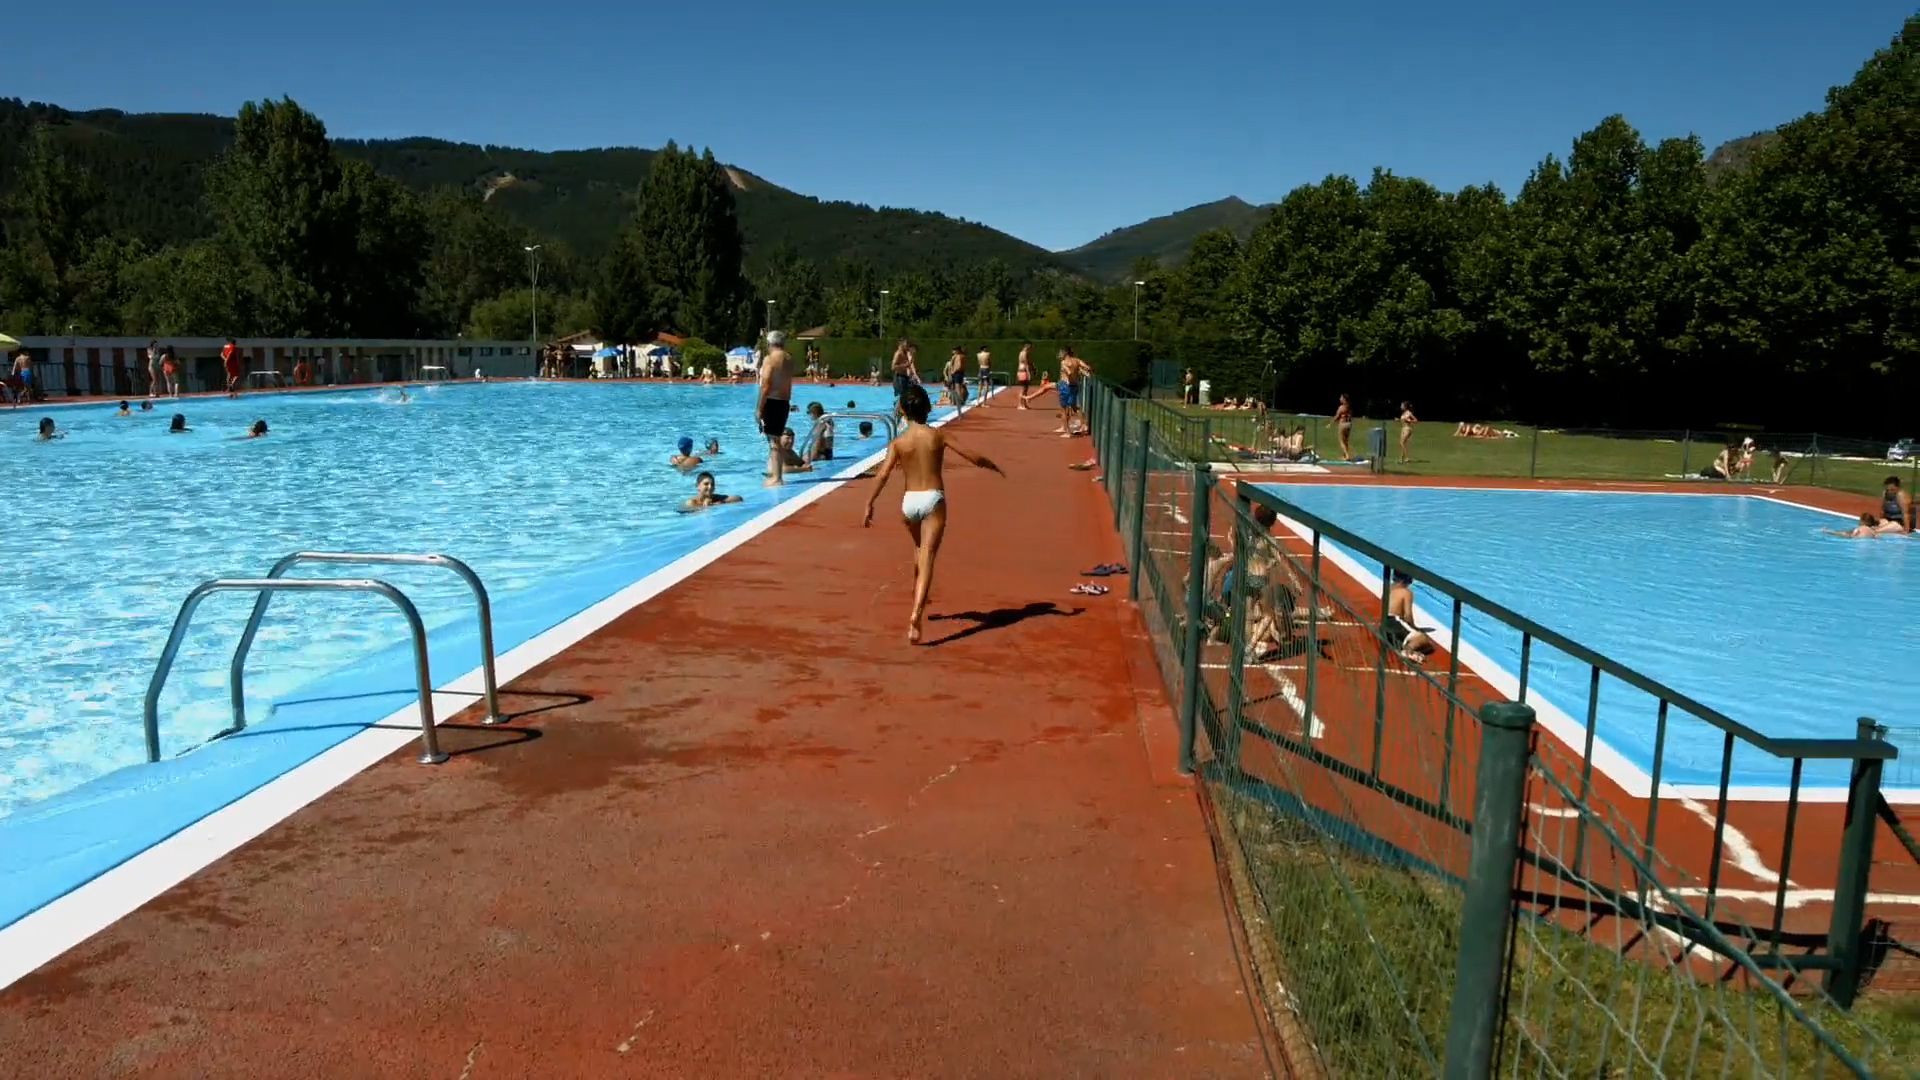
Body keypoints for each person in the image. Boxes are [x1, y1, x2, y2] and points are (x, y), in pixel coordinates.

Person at [862, 383, 1005, 643]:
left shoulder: (899, 442)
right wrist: (993, 465)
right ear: (927, 408)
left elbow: (882, 475)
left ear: (902, 410)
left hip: (909, 503)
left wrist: (869, 504)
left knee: (919, 549)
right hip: (932, 498)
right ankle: (915, 615)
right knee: (927, 556)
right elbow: (972, 456)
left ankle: (917, 591)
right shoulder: (938, 435)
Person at [758, 330, 796, 487]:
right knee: (777, 439)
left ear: (769, 343)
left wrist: (759, 408)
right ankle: (777, 475)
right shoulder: (789, 359)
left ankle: (777, 478)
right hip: (784, 402)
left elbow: (766, 385)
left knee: (773, 442)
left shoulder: (769, 359)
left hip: (772, 401)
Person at [1385, 570, 1436, 662]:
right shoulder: (1406, 592)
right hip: (1396, 623)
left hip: (1385, 623)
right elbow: (1408, 616)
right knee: (1424, 639)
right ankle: (1408, 650)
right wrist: (1415, 628)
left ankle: (1407, 647)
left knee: (1420, 640)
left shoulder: (1389, 588)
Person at [1826, 513, 1905, 539]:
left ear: (1862, 521)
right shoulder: (1873, 532)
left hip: (1859, 540)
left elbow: (1847, 535)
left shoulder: (1859, 529)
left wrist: (1831, 532)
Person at [890, 339, 918, 403]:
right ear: (902, 344)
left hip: (905, 377)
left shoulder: (905, 353)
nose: (907, 346)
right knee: (901, 397)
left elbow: (909, 365)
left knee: (908, 396)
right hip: (899, 378)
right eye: (906, 345)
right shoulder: (898, 353)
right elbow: (893, 367)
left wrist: (912, 356)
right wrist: (904, 365)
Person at [1334, 394, 1353, 459]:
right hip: (1349, 424)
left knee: (1341, 441)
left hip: (1343, 424)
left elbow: (1337, 416)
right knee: (1346, 441)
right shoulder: (1349, 407)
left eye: (1341, 398)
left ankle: (1347, 455)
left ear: (1344, 399)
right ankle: (1345, 456)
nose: (1340, 399)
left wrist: (1331, 422)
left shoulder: (1341, 407)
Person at [1015, 344, 1034, 410]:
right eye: (1030, 349)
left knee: (1025, 389)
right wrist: (1029, 374)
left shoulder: (1021, 353)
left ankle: (1024, 404)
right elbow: (1026, 364)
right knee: (1023, 389)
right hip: (1023, 371)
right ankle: (1020, 405)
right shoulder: (1025, 353)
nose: (1030, 351)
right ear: (1027, 348)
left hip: (1020, 371)